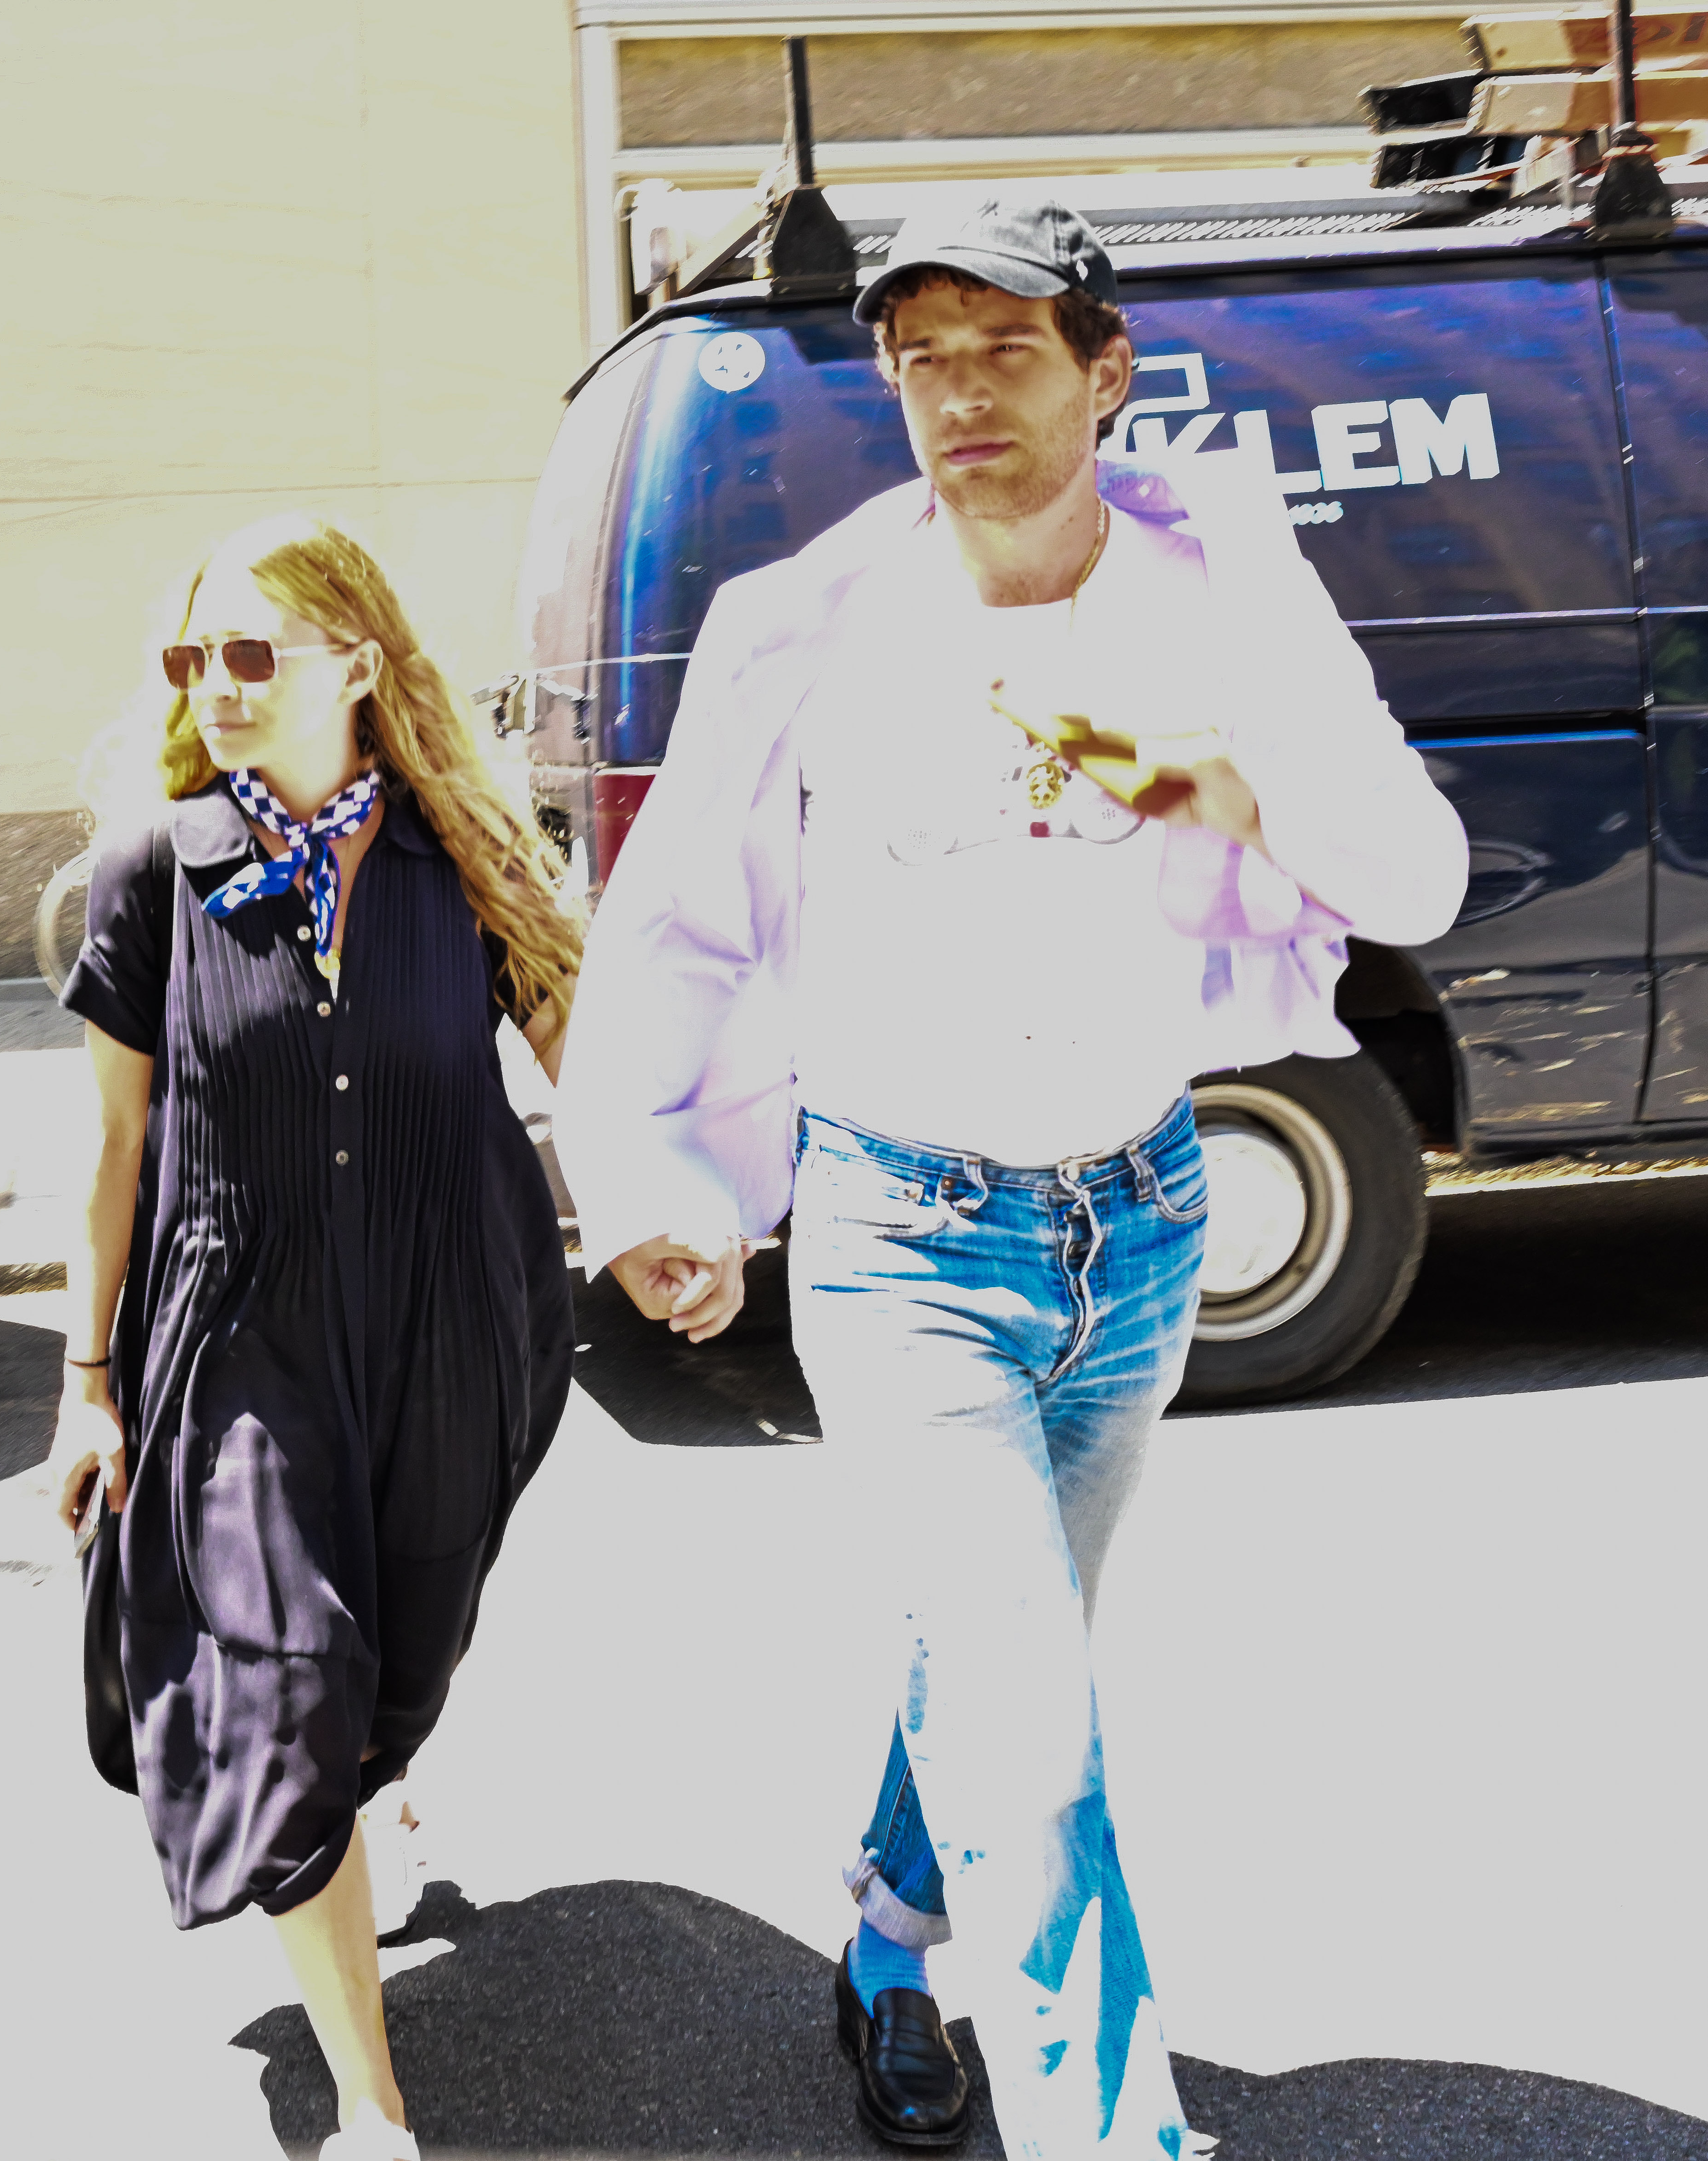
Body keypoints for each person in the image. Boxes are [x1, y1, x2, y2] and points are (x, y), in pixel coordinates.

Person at [552, 198, 1467, 2156]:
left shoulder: (1222, 588)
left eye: (1006, 349)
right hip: (901, 1245)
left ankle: (890, 1936)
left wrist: (1246, 792)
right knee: (1034, 1728)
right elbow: (676, 931)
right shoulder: (805, 627)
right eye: (923, 357)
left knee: (1005, 1659)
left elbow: (1418, 877)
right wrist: (648, 1180)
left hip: (1138, 1228)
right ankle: (1112, 2130)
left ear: (1104, 367)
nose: (958, 393)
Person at [45, 513, 580, 2161]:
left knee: (392, 1668)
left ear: (357, 658)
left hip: (453, 1321)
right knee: (284, 1694)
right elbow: (117, 1146)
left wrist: (666, 1227)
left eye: (251, 652)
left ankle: (373, 1782)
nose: (214, 685)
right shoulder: (159, 870)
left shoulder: (461, 854)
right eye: (189, 659)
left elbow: (595, 1059)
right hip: (238, 1343)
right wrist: (83, 1387)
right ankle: (371, 2105)